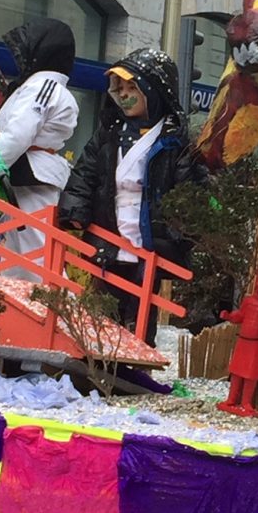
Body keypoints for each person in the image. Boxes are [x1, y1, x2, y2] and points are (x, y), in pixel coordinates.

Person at [59, 48, 207, 346]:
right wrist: (74, 209)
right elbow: (86, 172)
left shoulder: (174, 140)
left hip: (148, 239)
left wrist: (180, 231)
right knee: (102, 306)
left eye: (132, 88)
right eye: (120, 89)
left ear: (152, 91)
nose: (124, 96)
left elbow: (188, 191)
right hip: (109, 233)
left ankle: (136, 361)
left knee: (139, 310)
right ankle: (96, 361)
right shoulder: (108, 133)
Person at [0, 18, 79, 283]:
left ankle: (61, 312)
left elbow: (19, 132)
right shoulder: (41, 85)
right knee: (18, 251)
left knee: (36, 250)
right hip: (24, 173)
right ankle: (23, 310)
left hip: (32, 173)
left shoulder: (44, 86)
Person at [217, 271, 258, 417]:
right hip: (243, 340)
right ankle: (231, 399)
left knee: (251, 374)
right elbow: (241, 316)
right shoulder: (248, 300)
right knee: (236, 371)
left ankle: (246, 402)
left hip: (257, 344)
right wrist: (229, 316)